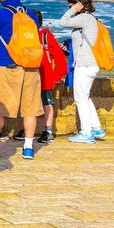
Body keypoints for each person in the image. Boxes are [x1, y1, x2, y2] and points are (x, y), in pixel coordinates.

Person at [0, 0, 43, 161]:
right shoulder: (31, 15)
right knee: (29, 109)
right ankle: (28, 148)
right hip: (31, 68)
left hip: (8, 67)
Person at [59, 0, 106, 143]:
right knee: (84, 96)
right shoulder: (91, 19)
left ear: (78, 4)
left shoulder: (84, 18)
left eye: (71, 5)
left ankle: (86, 133)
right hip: (90, 63)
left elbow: (63, 22)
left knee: (80, 98)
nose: (70, 8)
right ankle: (96, 128)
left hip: (85, 64)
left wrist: (73, 10)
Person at [33, 9, 68, 143]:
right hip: (32, 76)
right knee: (29, 104)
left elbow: (59, 57)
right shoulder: (27, 36)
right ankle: (29, 129)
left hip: (45, 77)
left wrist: (57, 76)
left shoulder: (45, 36)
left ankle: (48, 131)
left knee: (47, 103)